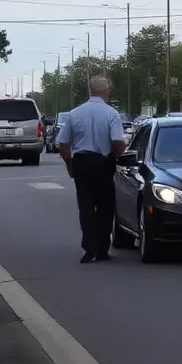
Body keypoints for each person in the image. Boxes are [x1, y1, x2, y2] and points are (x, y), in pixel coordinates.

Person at [57, 75, 126, 263]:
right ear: (105, 91)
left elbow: (63, 144)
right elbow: (118, 142)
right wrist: (121, 159)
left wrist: (70, 164)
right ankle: (102, 248)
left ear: (90, 91)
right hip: (103, 164)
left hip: (81, 163)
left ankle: (89, 247)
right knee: (105, 207)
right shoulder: (111, 114)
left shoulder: (75, 113)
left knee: (86, 207)